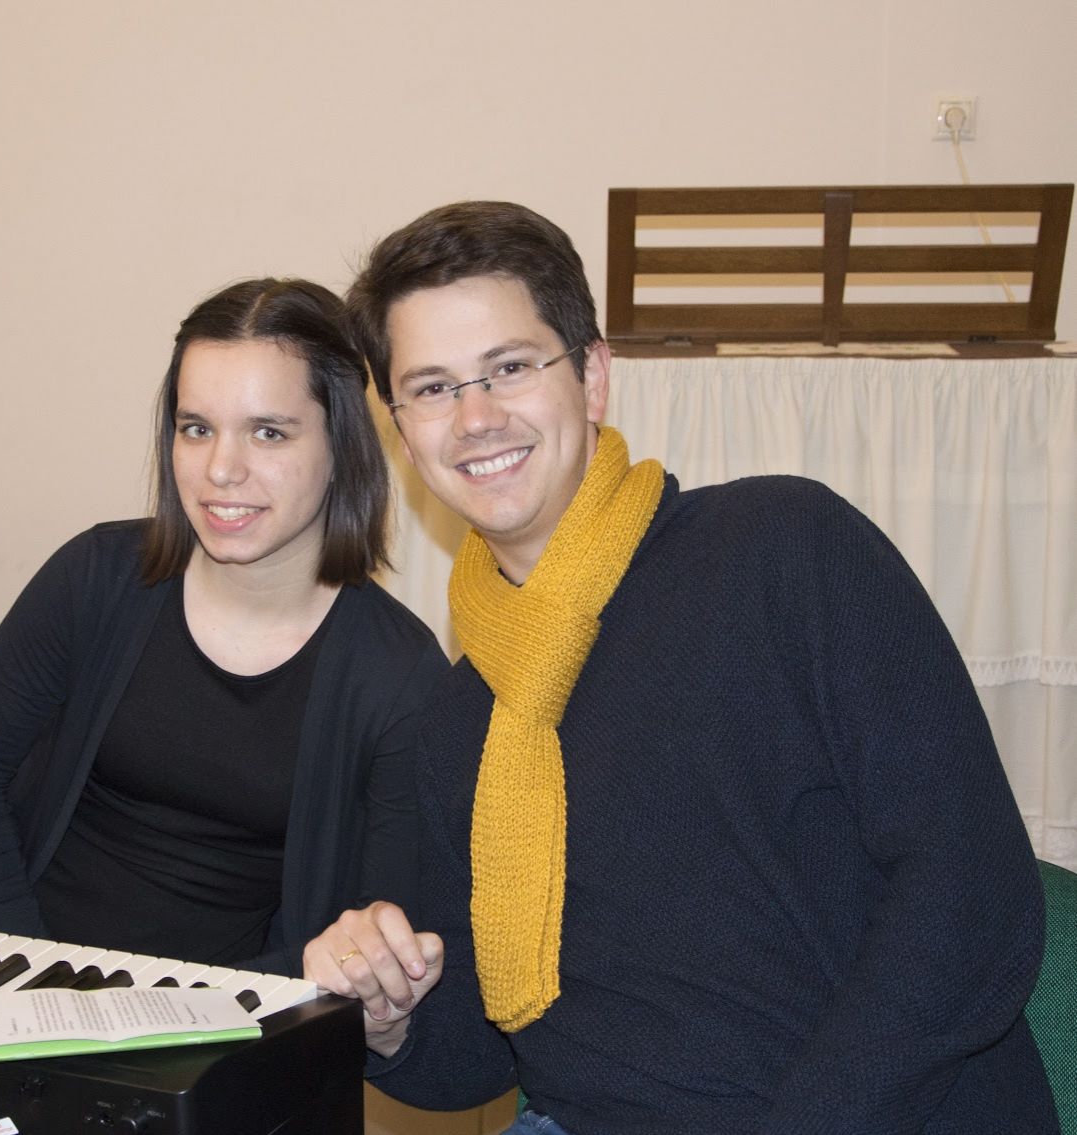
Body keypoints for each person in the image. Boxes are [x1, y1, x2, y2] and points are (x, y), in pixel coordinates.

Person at [303, 202, 1056, 1133]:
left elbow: (973, 895)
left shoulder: (781, 548)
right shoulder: (464, 720)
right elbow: (478, 1058)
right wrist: (387, 1015)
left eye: (509, 367)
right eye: (431, 387)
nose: (475, 417)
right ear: (400, 429)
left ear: (592, 375)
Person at [0, 277, 448, 978]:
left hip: (209, 1003)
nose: (220, 470)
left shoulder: (397, 676)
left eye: (268, 432)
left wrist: (190, 1004)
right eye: (195, 428)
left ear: (341, 448)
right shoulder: (98, 575)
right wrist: (35, 972)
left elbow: (372, 928)